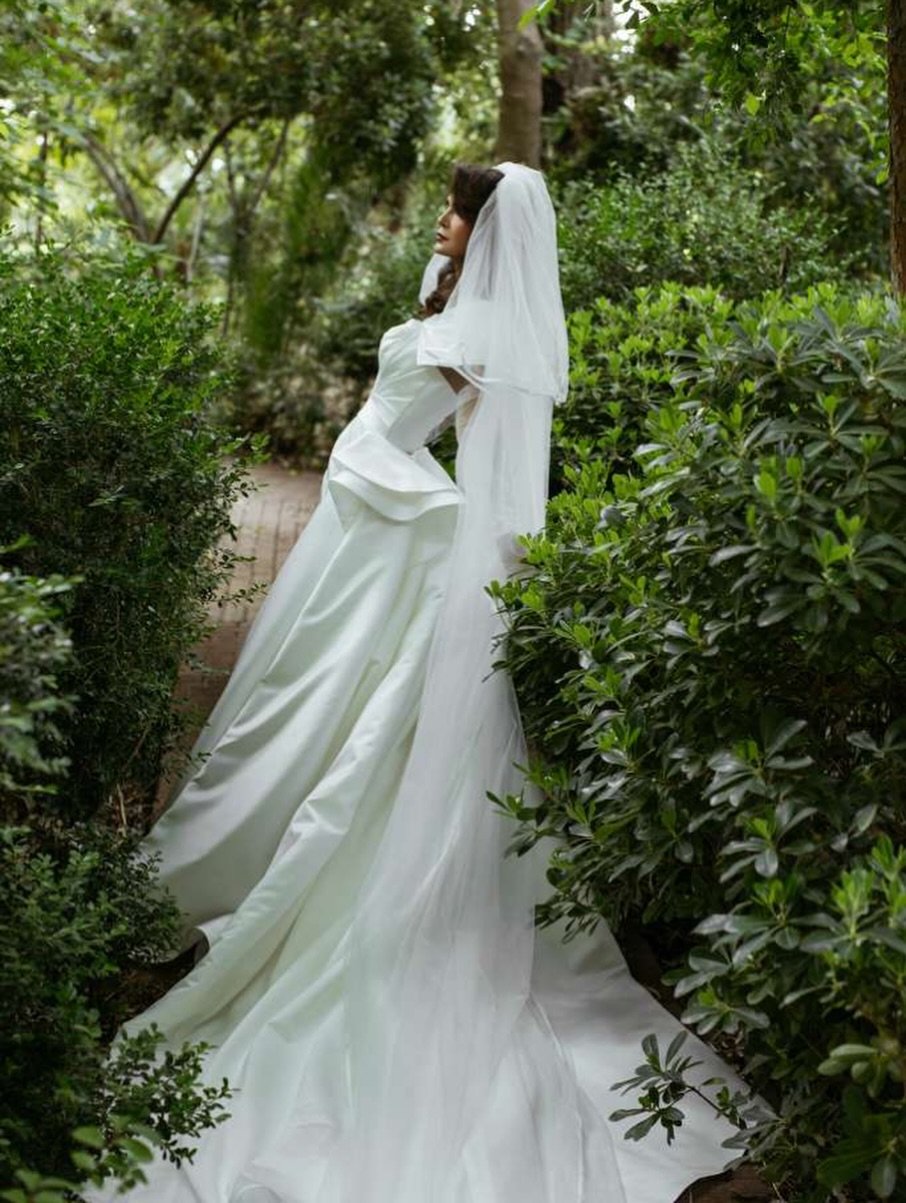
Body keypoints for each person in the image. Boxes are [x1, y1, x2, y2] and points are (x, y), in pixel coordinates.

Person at [91, 163, 742, 1203]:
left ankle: (312, 894)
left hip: (388, 540)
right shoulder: (453, 313)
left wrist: (427, 515)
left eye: (455, 211)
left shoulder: (477, 343)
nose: (439, 221)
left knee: (343, 727)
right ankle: (210, 871)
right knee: (295, 709)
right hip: (358, 536)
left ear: (488, 234)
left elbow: (475, 467)